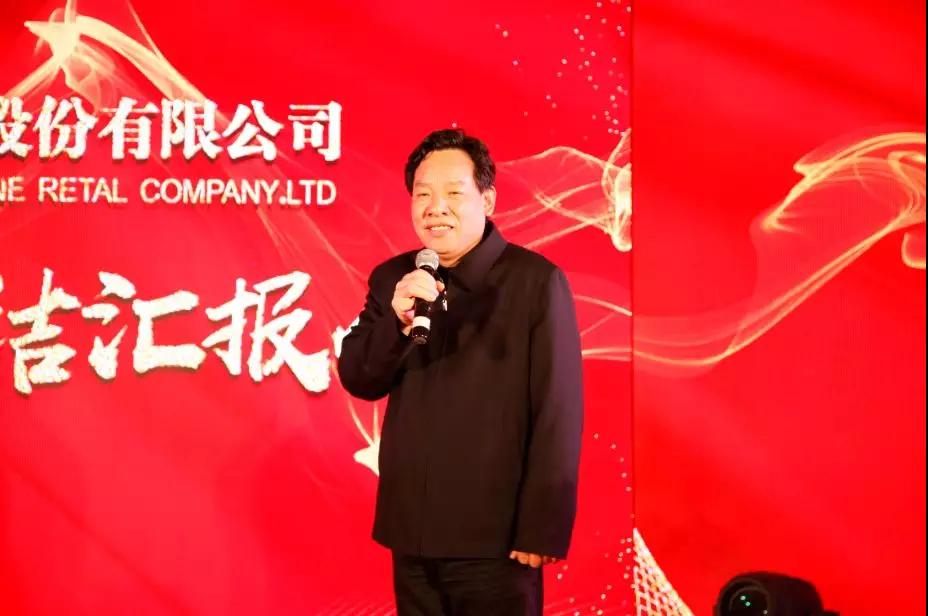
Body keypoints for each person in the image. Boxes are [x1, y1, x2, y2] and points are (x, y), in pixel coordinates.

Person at [337, 128, 583, 615]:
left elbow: (558, 410)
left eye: (453, 193)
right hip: (412, 529)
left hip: (497, 537)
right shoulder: (395, 279)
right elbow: (358, 377)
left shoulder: (534, 281)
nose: (436, 208)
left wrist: (542, 526)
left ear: (487, 200)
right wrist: (397, 324)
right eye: (423, 195)